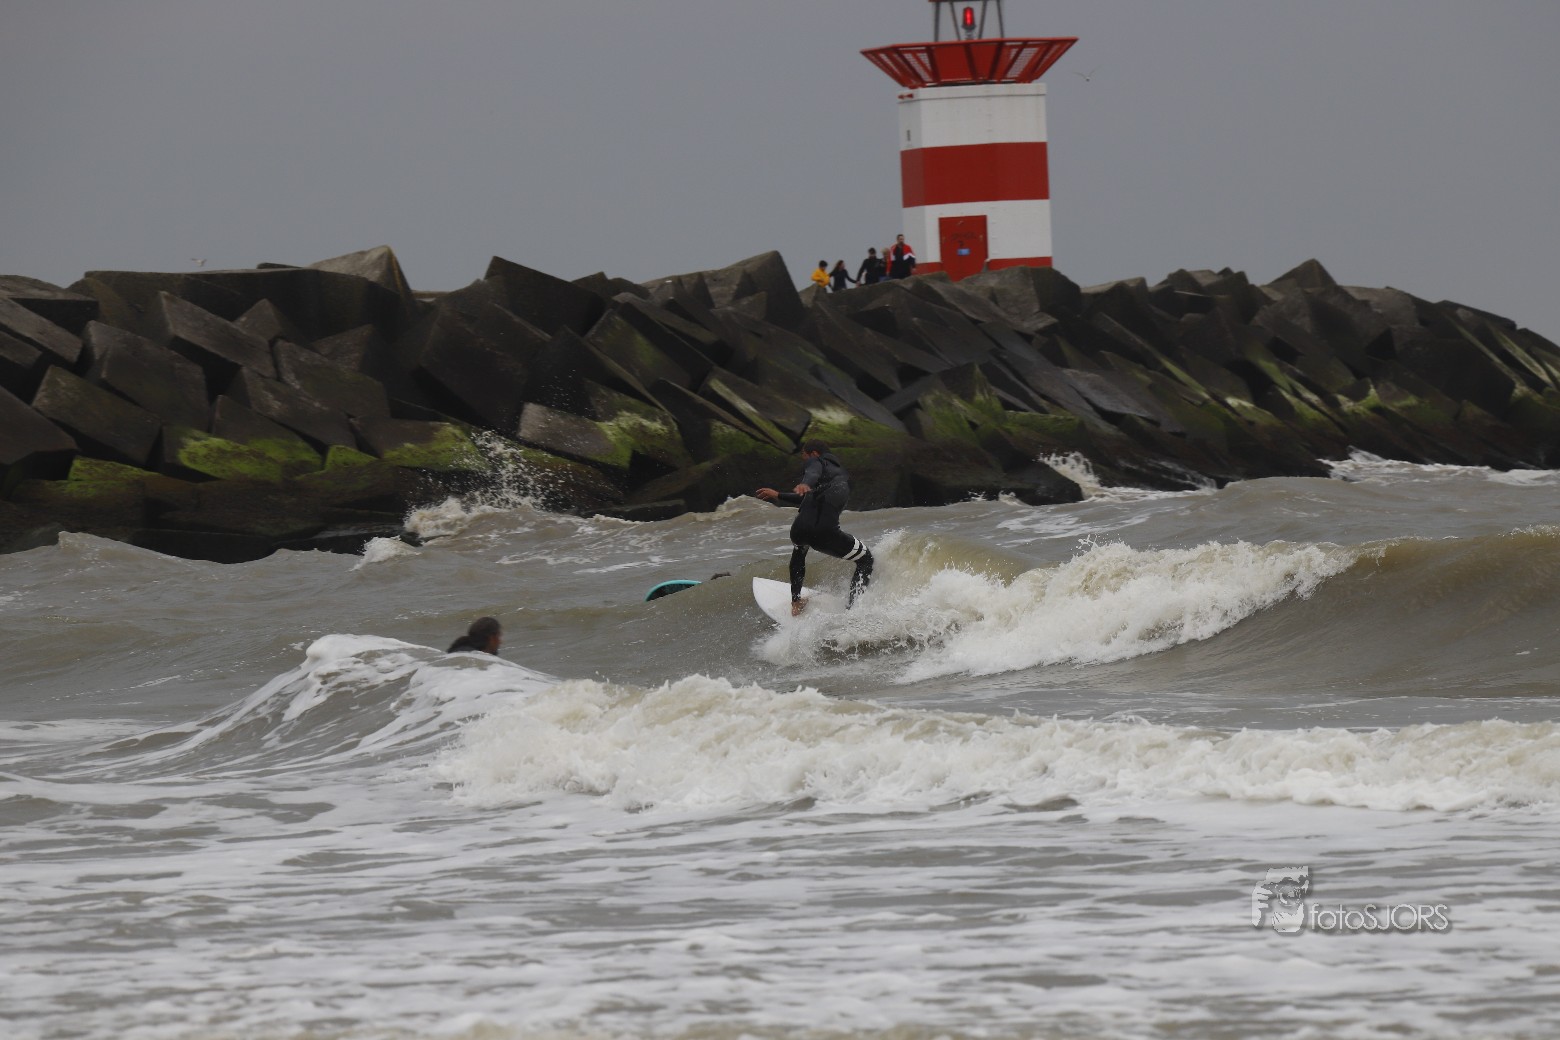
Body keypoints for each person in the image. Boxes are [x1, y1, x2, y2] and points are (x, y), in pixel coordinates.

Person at [755, 442, 874, 616]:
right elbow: (812, 475)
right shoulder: (837, 475)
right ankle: (853, 611)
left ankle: (796, 603)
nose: (803, 459)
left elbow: (811, 475)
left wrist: (792, 489)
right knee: (866, 560)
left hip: (799, 529)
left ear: (814, 453)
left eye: (803, 454)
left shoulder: (818, 463)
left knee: (799, 552)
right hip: (824, 533)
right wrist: (802, 485)